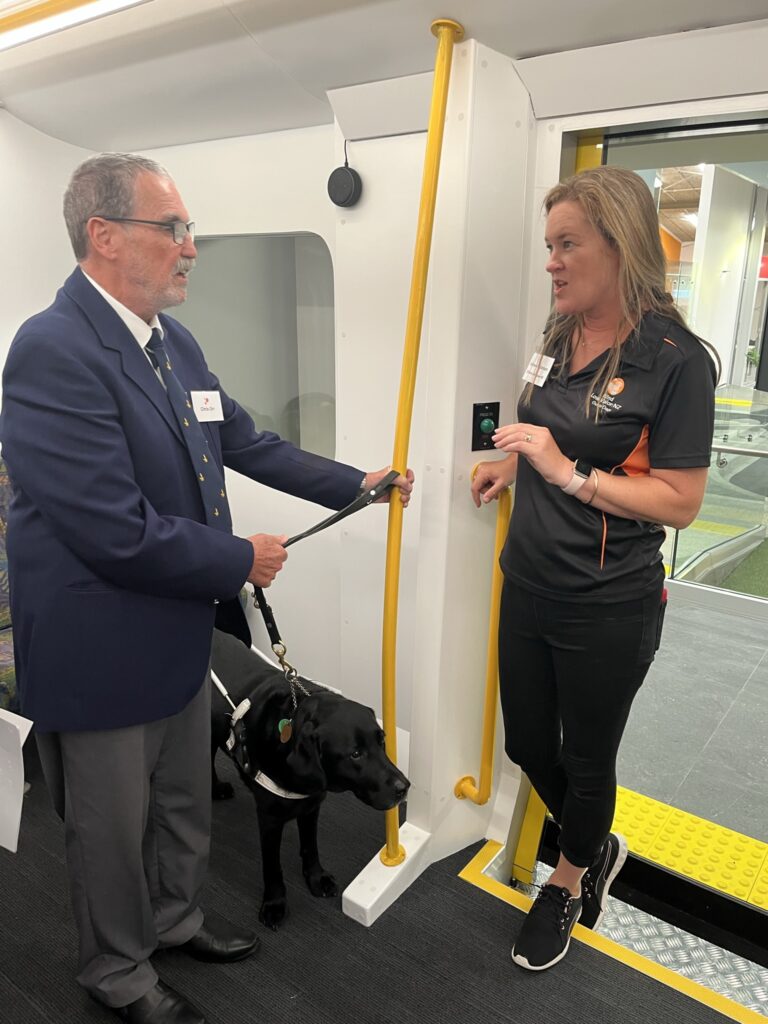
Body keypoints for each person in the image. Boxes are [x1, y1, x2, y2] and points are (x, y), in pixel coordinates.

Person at [0, 152, 413, 1024]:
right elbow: (110, 529)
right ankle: (118, 972)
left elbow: (247, 443)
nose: (191, 247)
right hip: (98, 650)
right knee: (109, 832)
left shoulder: (172, 344)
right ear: (104, 236)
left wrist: (356, 484)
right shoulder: (51, 351)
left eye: (189, 230)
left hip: (180, 634)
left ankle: (175, 920)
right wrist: (237, 560)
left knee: (186, 801)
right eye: (173, 228)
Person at [471, 166, 716, 972]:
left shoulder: (676, 361)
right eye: (550, 245)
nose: (552, 262)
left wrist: (565, 472)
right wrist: (513, 465)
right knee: (525, 743)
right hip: (528, 580)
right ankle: (596, 840)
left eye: (567, 244)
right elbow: (548, 425)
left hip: (608, 603)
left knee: (586, 759)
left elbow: (680, 501)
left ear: (621, 244)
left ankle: (570, 878)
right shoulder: (559, 332)